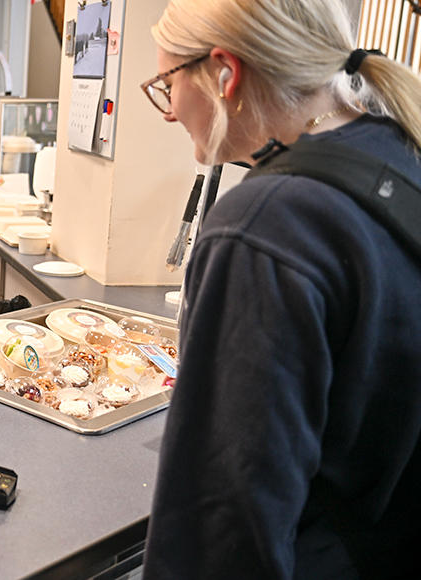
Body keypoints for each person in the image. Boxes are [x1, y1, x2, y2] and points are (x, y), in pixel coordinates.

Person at [140, 0, 421, 578]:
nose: (168, 110)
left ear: (225, 73)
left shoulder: (263, 226)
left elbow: (224, 517)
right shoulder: (399, 155)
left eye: (167, 82)